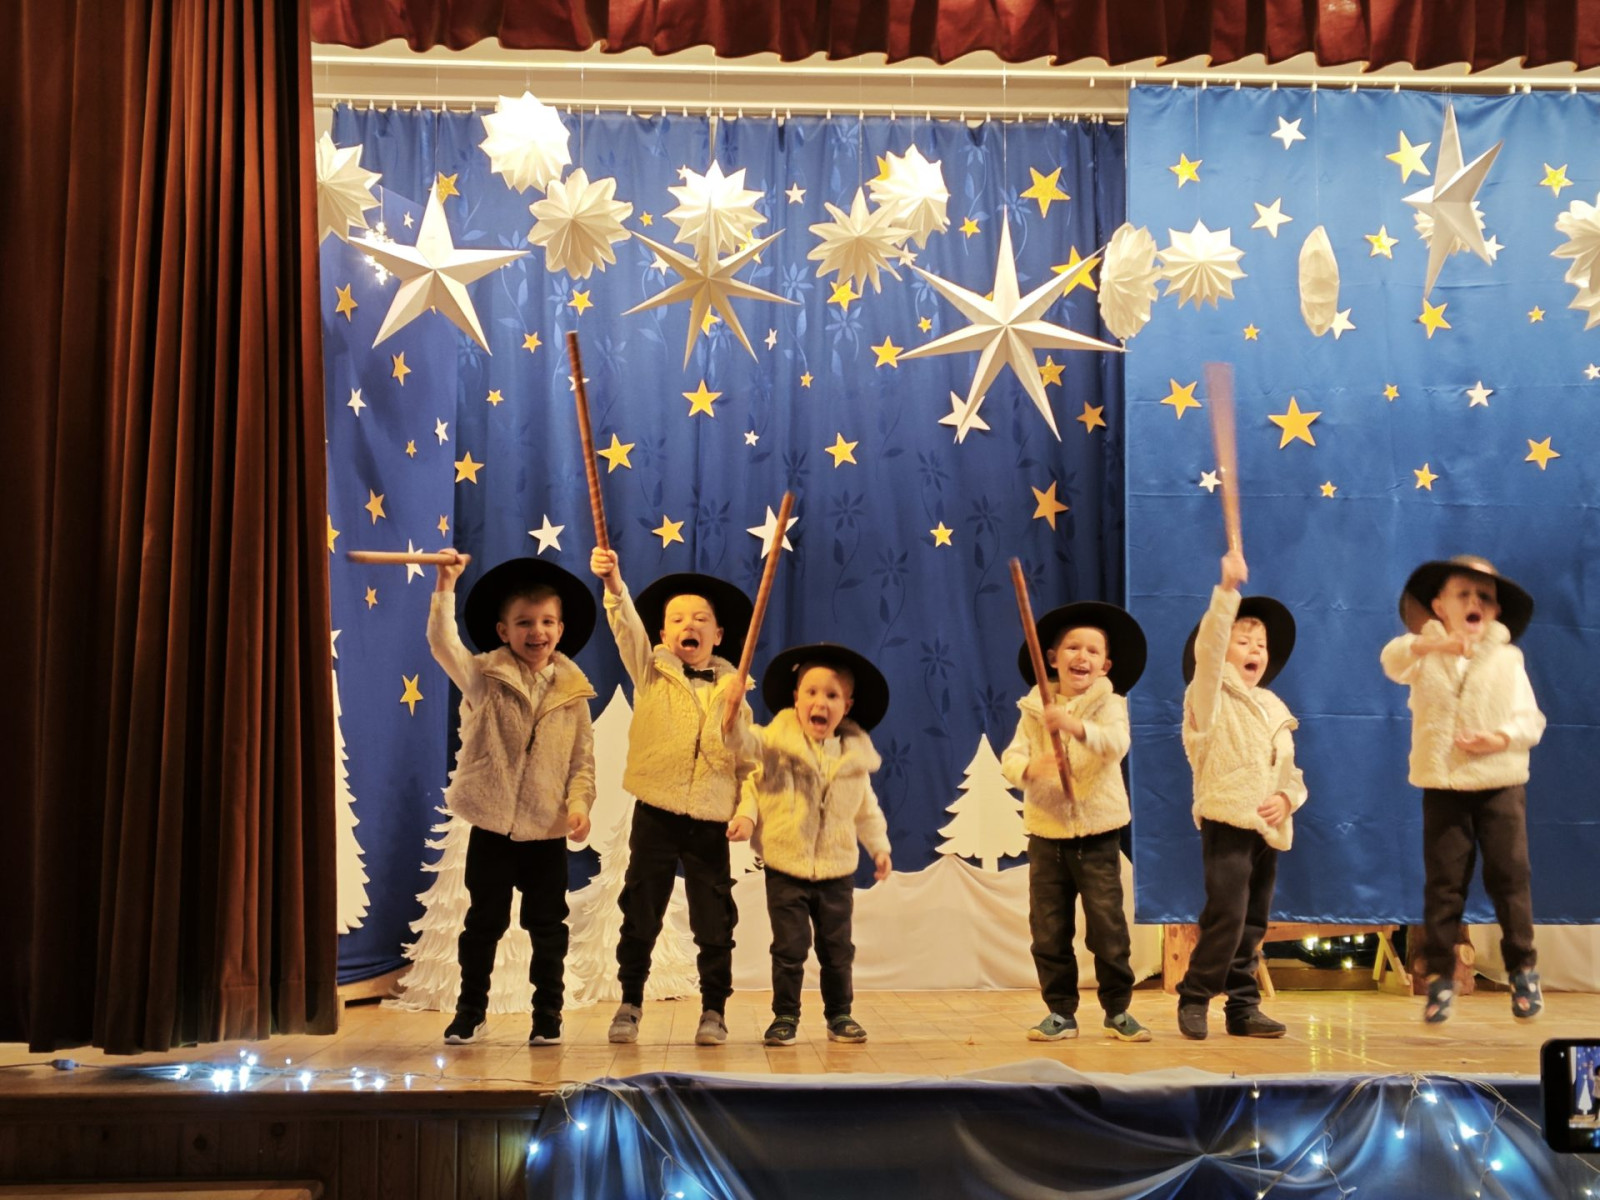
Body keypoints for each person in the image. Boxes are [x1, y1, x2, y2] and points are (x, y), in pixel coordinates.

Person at [428, 552, 597, 1047]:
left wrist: (579, 805)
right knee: (483, 923)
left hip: (546, 830)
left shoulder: (574, 694)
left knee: (548, 927)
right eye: (524, 622)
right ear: (503, 631)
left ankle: (547, 1015)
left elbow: (582, 763)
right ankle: (470, 1012)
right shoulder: (484, 678)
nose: (536, 631)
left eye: (546, 622)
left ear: (560, 629)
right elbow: (443, 643)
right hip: (493, 826)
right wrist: (445, 584)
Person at [590, 548, 757, 1046]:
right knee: (641, 911)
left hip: (709, 820)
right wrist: (614, 584)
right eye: (678, 619)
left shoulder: (734, 692)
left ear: (718, 635)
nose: (690, 625)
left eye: (701, 619)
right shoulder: (651, 673)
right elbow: (625, 628)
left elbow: (749, 764)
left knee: (714, 918)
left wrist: (747, 812)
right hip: (656, 813)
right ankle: (630, 1003)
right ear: (663, 635)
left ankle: (714, 1010)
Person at [1380, 555, 1545, 1024]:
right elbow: (1392, 660)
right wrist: (1433, 645)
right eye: (1463, 594)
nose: (1474, 602)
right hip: (1444, 783)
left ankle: (1523, 969)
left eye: (1484, 597)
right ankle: (1439, 977)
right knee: (1444, 884)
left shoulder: (1508, 659)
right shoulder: (1423, 655)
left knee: (1510, 878)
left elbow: (1530, 720)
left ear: (1495, 611)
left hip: (1499, 782)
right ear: (1440, 606)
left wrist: (1499, 739)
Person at [1000, 602, 1151, 1043]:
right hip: (1047, 835)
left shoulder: (1110, 704)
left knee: (1108, 928)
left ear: (1105, 665)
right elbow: (1012, 758)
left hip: (1099, 835)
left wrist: (1074, 726)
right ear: (1052, 658)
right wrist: (1029, 769)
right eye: (1072, 648)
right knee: (1048, 930)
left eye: (1092, 651)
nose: (1081, 657)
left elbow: (1116, 744)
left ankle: (1117, 1009)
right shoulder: (1034, 708)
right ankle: (1060, 1012)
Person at [729, 644, 893, 1046]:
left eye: (832, 695)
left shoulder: (853, 759)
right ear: (796, 699)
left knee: (838, 948)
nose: (821, 703)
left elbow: (866, 810)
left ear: (847, 706)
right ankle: (785, 1015)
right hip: (786, 864)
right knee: (790, 946)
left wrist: (879, 847)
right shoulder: (774, 744)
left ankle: (840, 1014)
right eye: (812, 693)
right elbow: (746, 764)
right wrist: (746, 816)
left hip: (836, 869)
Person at [1175, 549, 1306, 1041]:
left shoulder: (1273, 706)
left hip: (1266, 829)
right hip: (1227, 820)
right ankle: (1195, 995)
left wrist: (1287, 799)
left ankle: (1243, 1007)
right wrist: (1227, 592)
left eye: (1261, 644)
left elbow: (1291, 772)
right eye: (1244, 640)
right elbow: (1209, 651)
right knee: (1226, 915)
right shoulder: (1207, 696)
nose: (1255, 649)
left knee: (1253, 921)